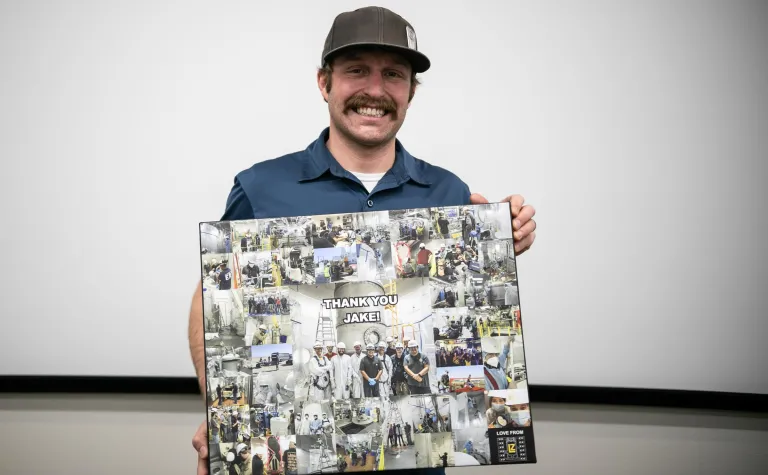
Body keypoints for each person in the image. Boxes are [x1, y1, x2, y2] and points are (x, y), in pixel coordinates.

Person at [190, 6, 537, 473]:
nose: (375, 90)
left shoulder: (450, 192)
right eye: (356, 70)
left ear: (411, 92)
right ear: (324, 82)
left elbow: (464, 319)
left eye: (393, 74)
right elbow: (212, 299)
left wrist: (498, 240)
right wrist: (220, 411)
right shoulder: (260, 187)